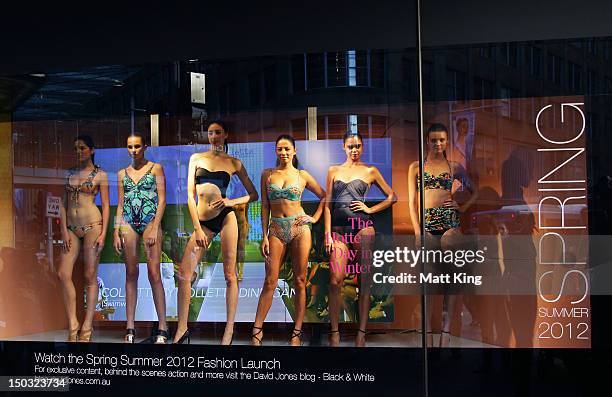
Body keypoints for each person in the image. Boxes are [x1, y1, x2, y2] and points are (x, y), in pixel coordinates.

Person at [173, 121, 258, 345]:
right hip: (202, 223)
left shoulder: (233, 162)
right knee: (184, 274)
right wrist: (197, 229)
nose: (214, 136)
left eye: (218, 132)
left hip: (227, 218)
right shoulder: (196, 158)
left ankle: (228, 332)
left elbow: (253, 194)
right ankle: (181, 330)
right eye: (210, 132)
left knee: (230, 276)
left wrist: (231, 201)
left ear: (225, 135)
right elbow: (190, 196)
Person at [251, 135, 325, 346]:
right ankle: (257, 331)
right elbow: (265, 206)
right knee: (270, 281)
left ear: (294, 151)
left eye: (287, 149)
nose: (283, 153)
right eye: (280, 149)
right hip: (275, 229)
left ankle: (297, 332)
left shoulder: (302, 175)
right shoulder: (267, 174)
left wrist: (314, 218)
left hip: (299, 228)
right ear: (276, 151)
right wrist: (263, 235)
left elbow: (324, 195)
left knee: (300, 281)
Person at [408, 123, 478, 347]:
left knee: (452, 276)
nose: (438, 144)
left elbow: (475, 190)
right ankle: (428, 329)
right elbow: (411, 202)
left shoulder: (454, 166)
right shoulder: (417, 167)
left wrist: (462, 207)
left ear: (447, 142)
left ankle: (447, 328)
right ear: (427, 141)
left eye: (442, 140)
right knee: (428, 278)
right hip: (427, 224)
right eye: (434, 140)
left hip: (450, 223)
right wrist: (417, 230)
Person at [324, 131, 396, 347]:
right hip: (338, 230)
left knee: (365, 281)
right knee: (335, 280)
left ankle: (361, 333)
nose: (354, 150)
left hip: (362, 228)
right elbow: (328, 205)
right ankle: (334, 333)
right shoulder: (333, 170)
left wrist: (370, 209)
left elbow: (393, 196)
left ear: (362, 148)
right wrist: (327, 234)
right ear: (343, 147)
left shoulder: (370, 171)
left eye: (357, 146)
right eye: (350, 146)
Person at [113, 132, 168, 343]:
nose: (133, 150)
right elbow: (120, 203)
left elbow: (162, 200)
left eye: (137, 146)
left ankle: (162, 326)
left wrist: (155, 226)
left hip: (150, 220)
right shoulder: (121, 174)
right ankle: (130, 327)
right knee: (131, 272)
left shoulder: (156, 168)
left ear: (145, 146)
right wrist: (116, 230)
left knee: (154, 273)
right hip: (128, 221)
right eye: (130, 146)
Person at [58, 135, 110, 342]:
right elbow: (62, 204)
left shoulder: (101, 175)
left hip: (92, 226)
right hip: (71, 227)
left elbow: (105, 205)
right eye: (76, 148)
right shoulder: (68, 173)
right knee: (63, 273)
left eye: (82, 148)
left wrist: (104, 233)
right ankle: (73, 322)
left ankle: (87, 325)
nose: (78, 151)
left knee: (90, 275)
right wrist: (62, 230)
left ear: (92, 150)